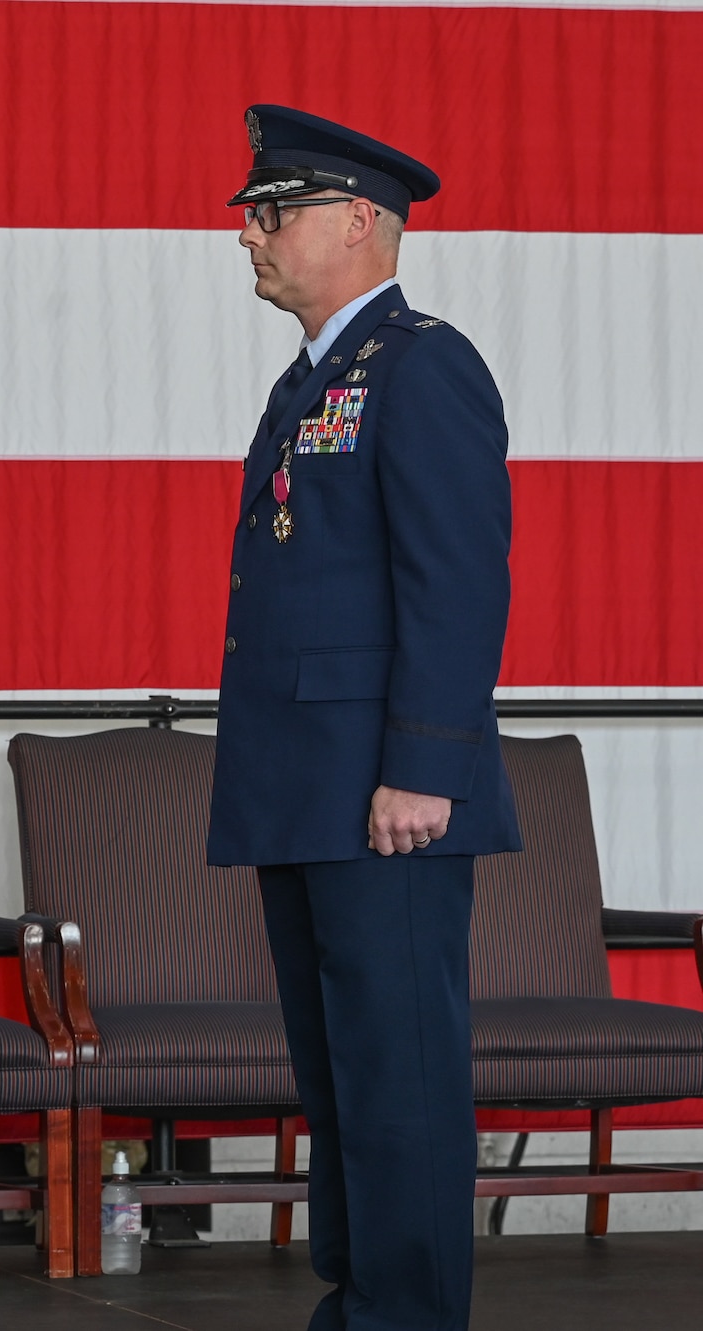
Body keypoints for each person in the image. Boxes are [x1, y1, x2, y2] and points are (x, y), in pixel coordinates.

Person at [210, 105, 522, 1330]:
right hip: (307, 783)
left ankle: (405, 1313)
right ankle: (361, 1303)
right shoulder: (317, 376)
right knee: (341, 1080)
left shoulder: (420, 364)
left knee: (398, 1078)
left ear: (357, 222)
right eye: (252, 210)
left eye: (272, 210)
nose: (249, 233)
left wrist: (421, 768)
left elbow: (454, 578)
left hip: (382, 795)